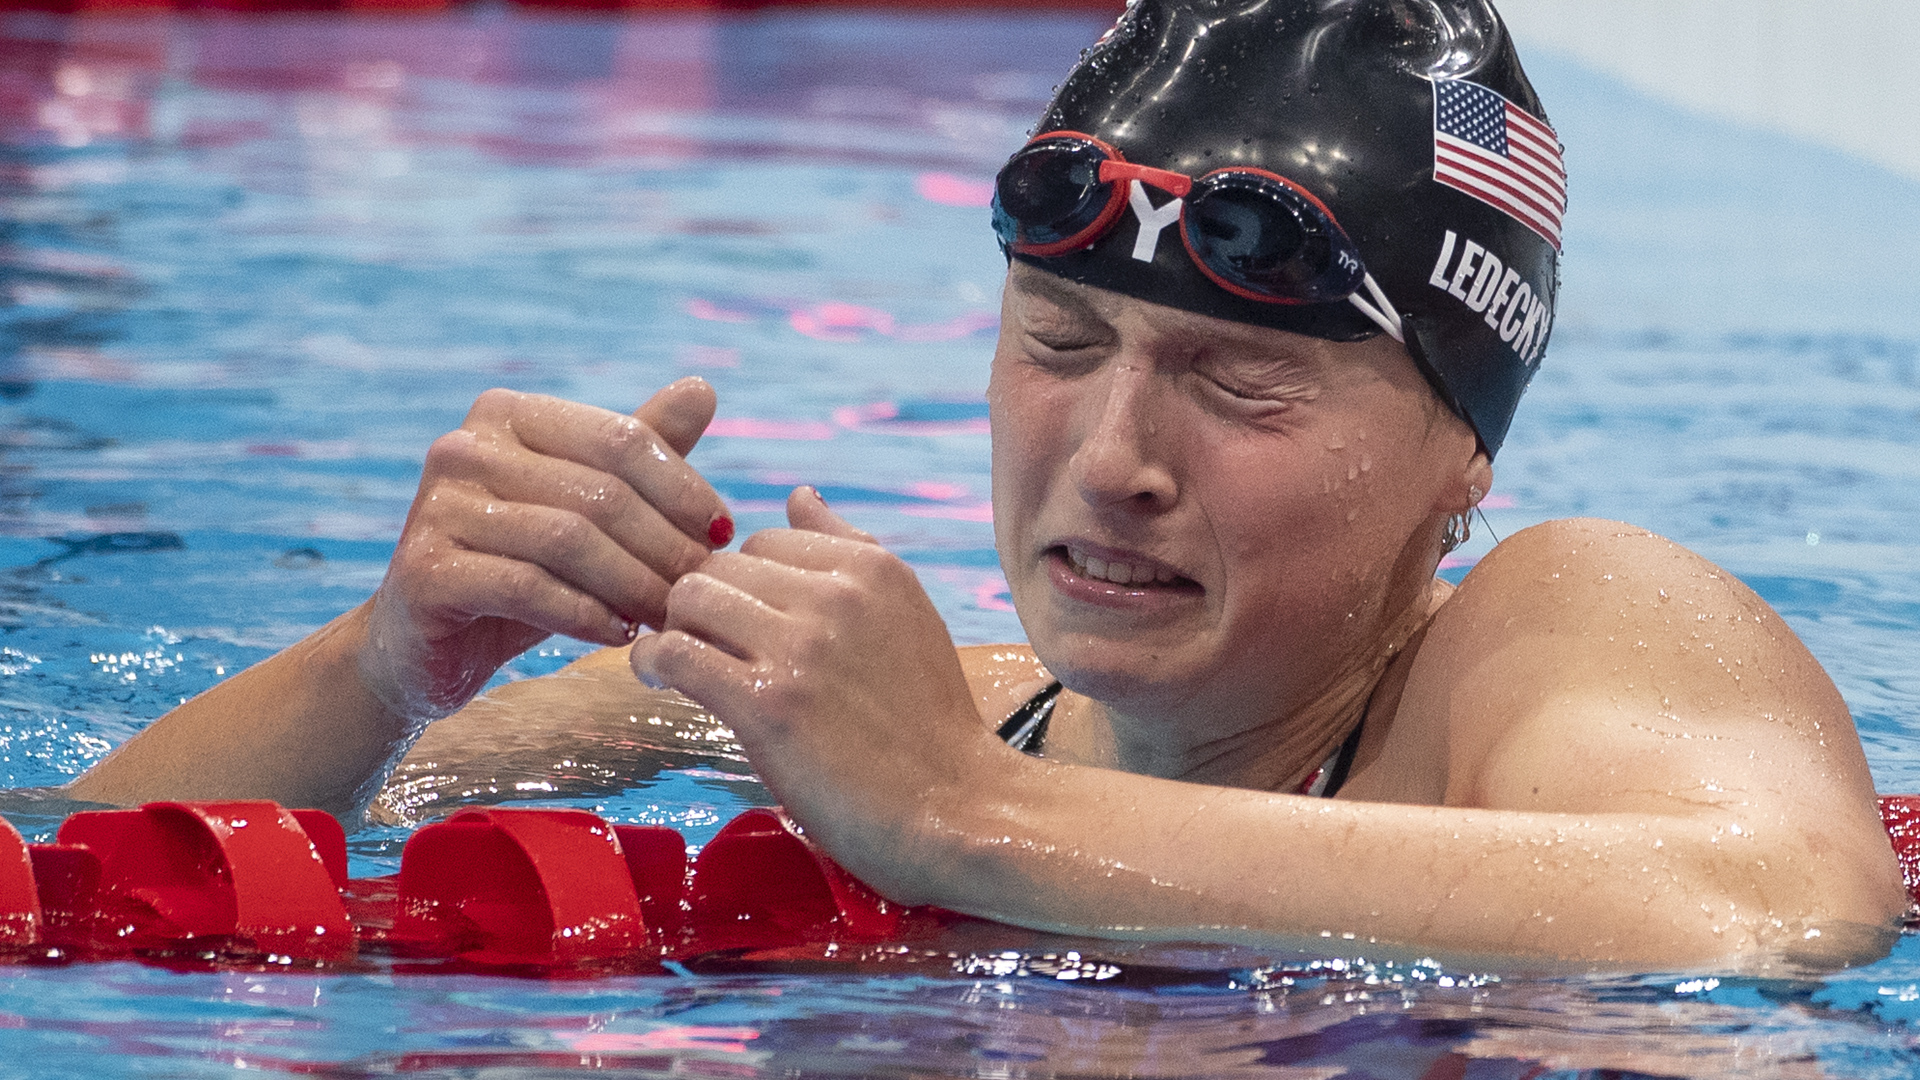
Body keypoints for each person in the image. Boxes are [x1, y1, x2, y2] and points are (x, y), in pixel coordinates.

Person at [59, 0, 1905, 970]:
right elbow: (66, 874)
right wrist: (383, 665)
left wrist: (954, 819)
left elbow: (1777, 906)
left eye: (1240, 379)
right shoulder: (891, 701)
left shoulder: (1561, 630)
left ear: (1461, 459)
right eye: (1061, 344)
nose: (1113, 465)